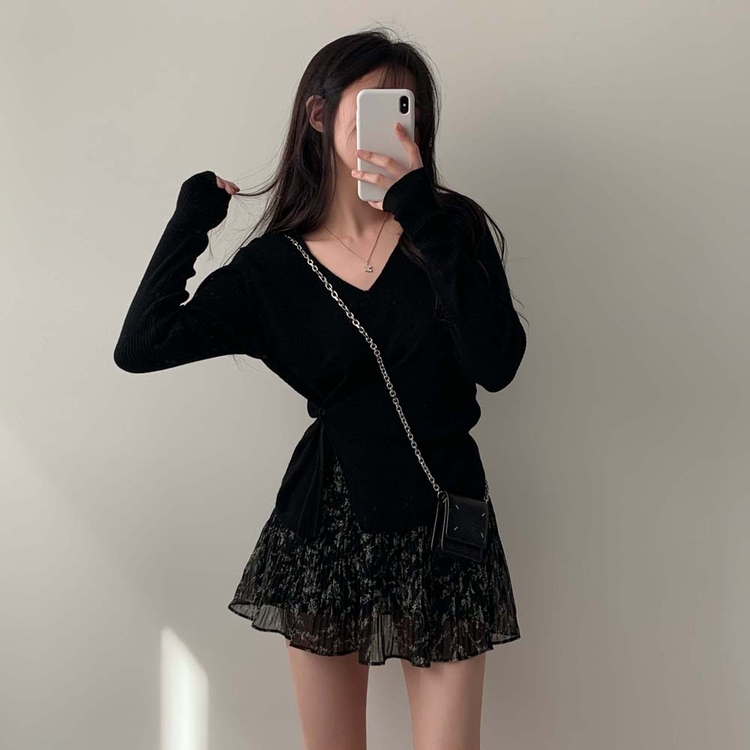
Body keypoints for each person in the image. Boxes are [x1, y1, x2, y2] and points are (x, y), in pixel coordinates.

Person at [114, 27, 527, 750]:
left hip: (443, 520)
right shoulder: (272, 270)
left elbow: (497, 362)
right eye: (374, 105)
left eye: (407, 108)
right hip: (326, 527)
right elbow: (141, 346)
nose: (395, 124)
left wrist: (417, 209)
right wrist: (190, 223)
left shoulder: (450, 228)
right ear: (318, 114)